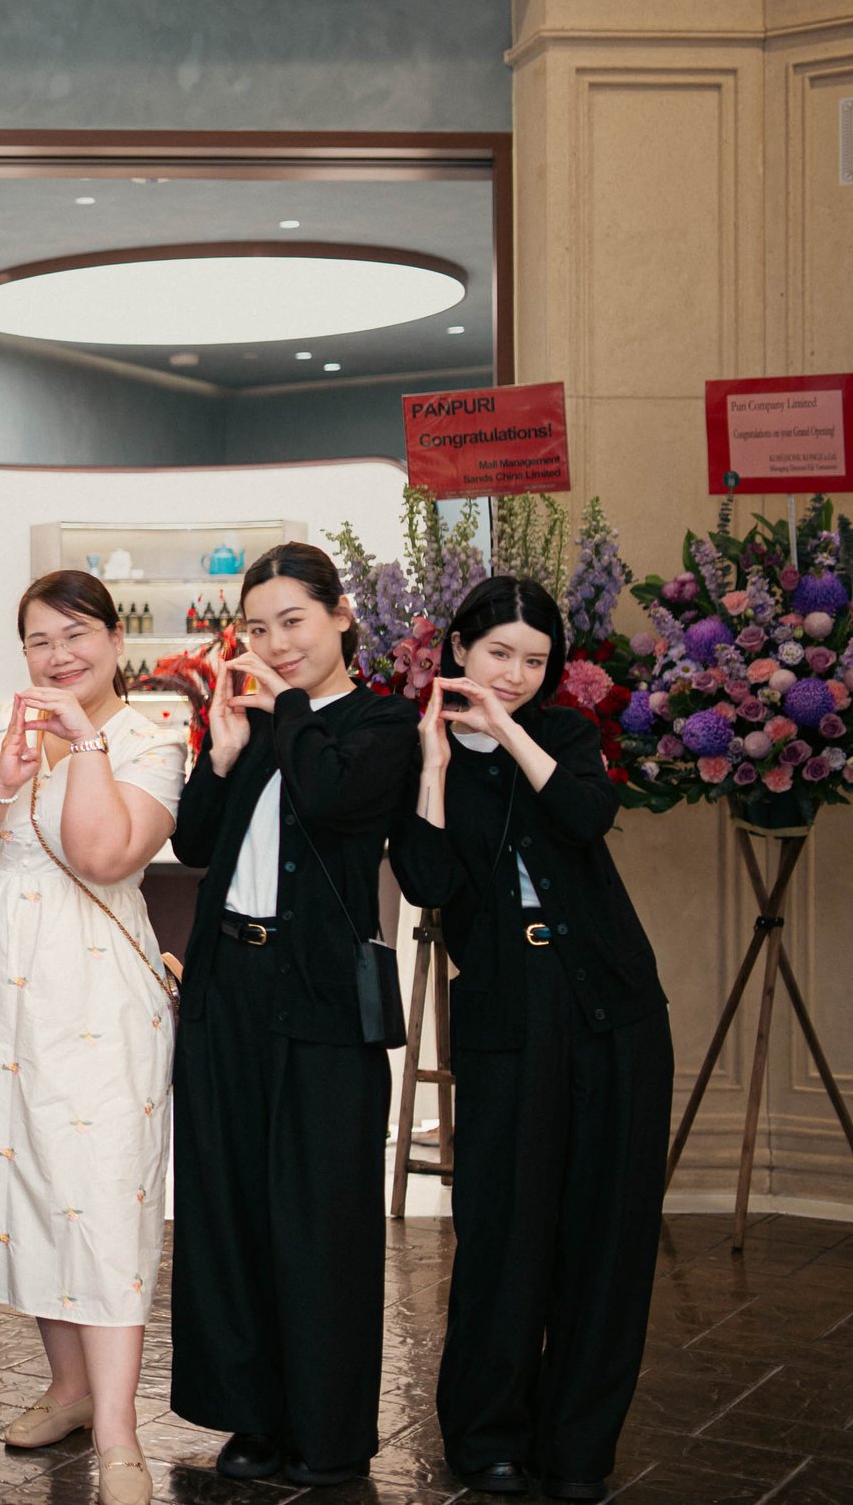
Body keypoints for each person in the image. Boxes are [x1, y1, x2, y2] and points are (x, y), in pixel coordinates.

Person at [392, 577, 671, 1502]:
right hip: (507, 1015)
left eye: (535, 660)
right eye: (499, 653)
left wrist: (508, 730)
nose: (515, 673)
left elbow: (587, 817)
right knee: (504, 1233)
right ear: (459, 649)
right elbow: (429, 883)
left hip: (612, 1008)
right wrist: (436, 763)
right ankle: (486, 1439)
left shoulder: (562, 737)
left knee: (607, 1236)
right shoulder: (418, 752)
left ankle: (578, 1447)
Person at [0, 571, 187, 1505]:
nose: (58, 655)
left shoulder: (154, 732)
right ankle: (71, 1387)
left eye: (75, 635)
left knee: (104, 1188)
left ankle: (120, 1431)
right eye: (39, 640)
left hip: (98, 983)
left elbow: (106, 855)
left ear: (114, 640)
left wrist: (83, 747)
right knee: (27, 1179)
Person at [167, 542, 418, 1488]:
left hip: (322, 994)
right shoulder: (257, 721)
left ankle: (329, 1428)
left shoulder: (382, 722)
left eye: (294, 623)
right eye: (259, 627)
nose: (276, 645)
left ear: (342, 615)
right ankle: (252, 1416)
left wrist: (287, 713)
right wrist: (223, 757)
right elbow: (195, 842)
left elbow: (335, 797)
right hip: (230, 983)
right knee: (228, 1205)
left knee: (322, 1216)